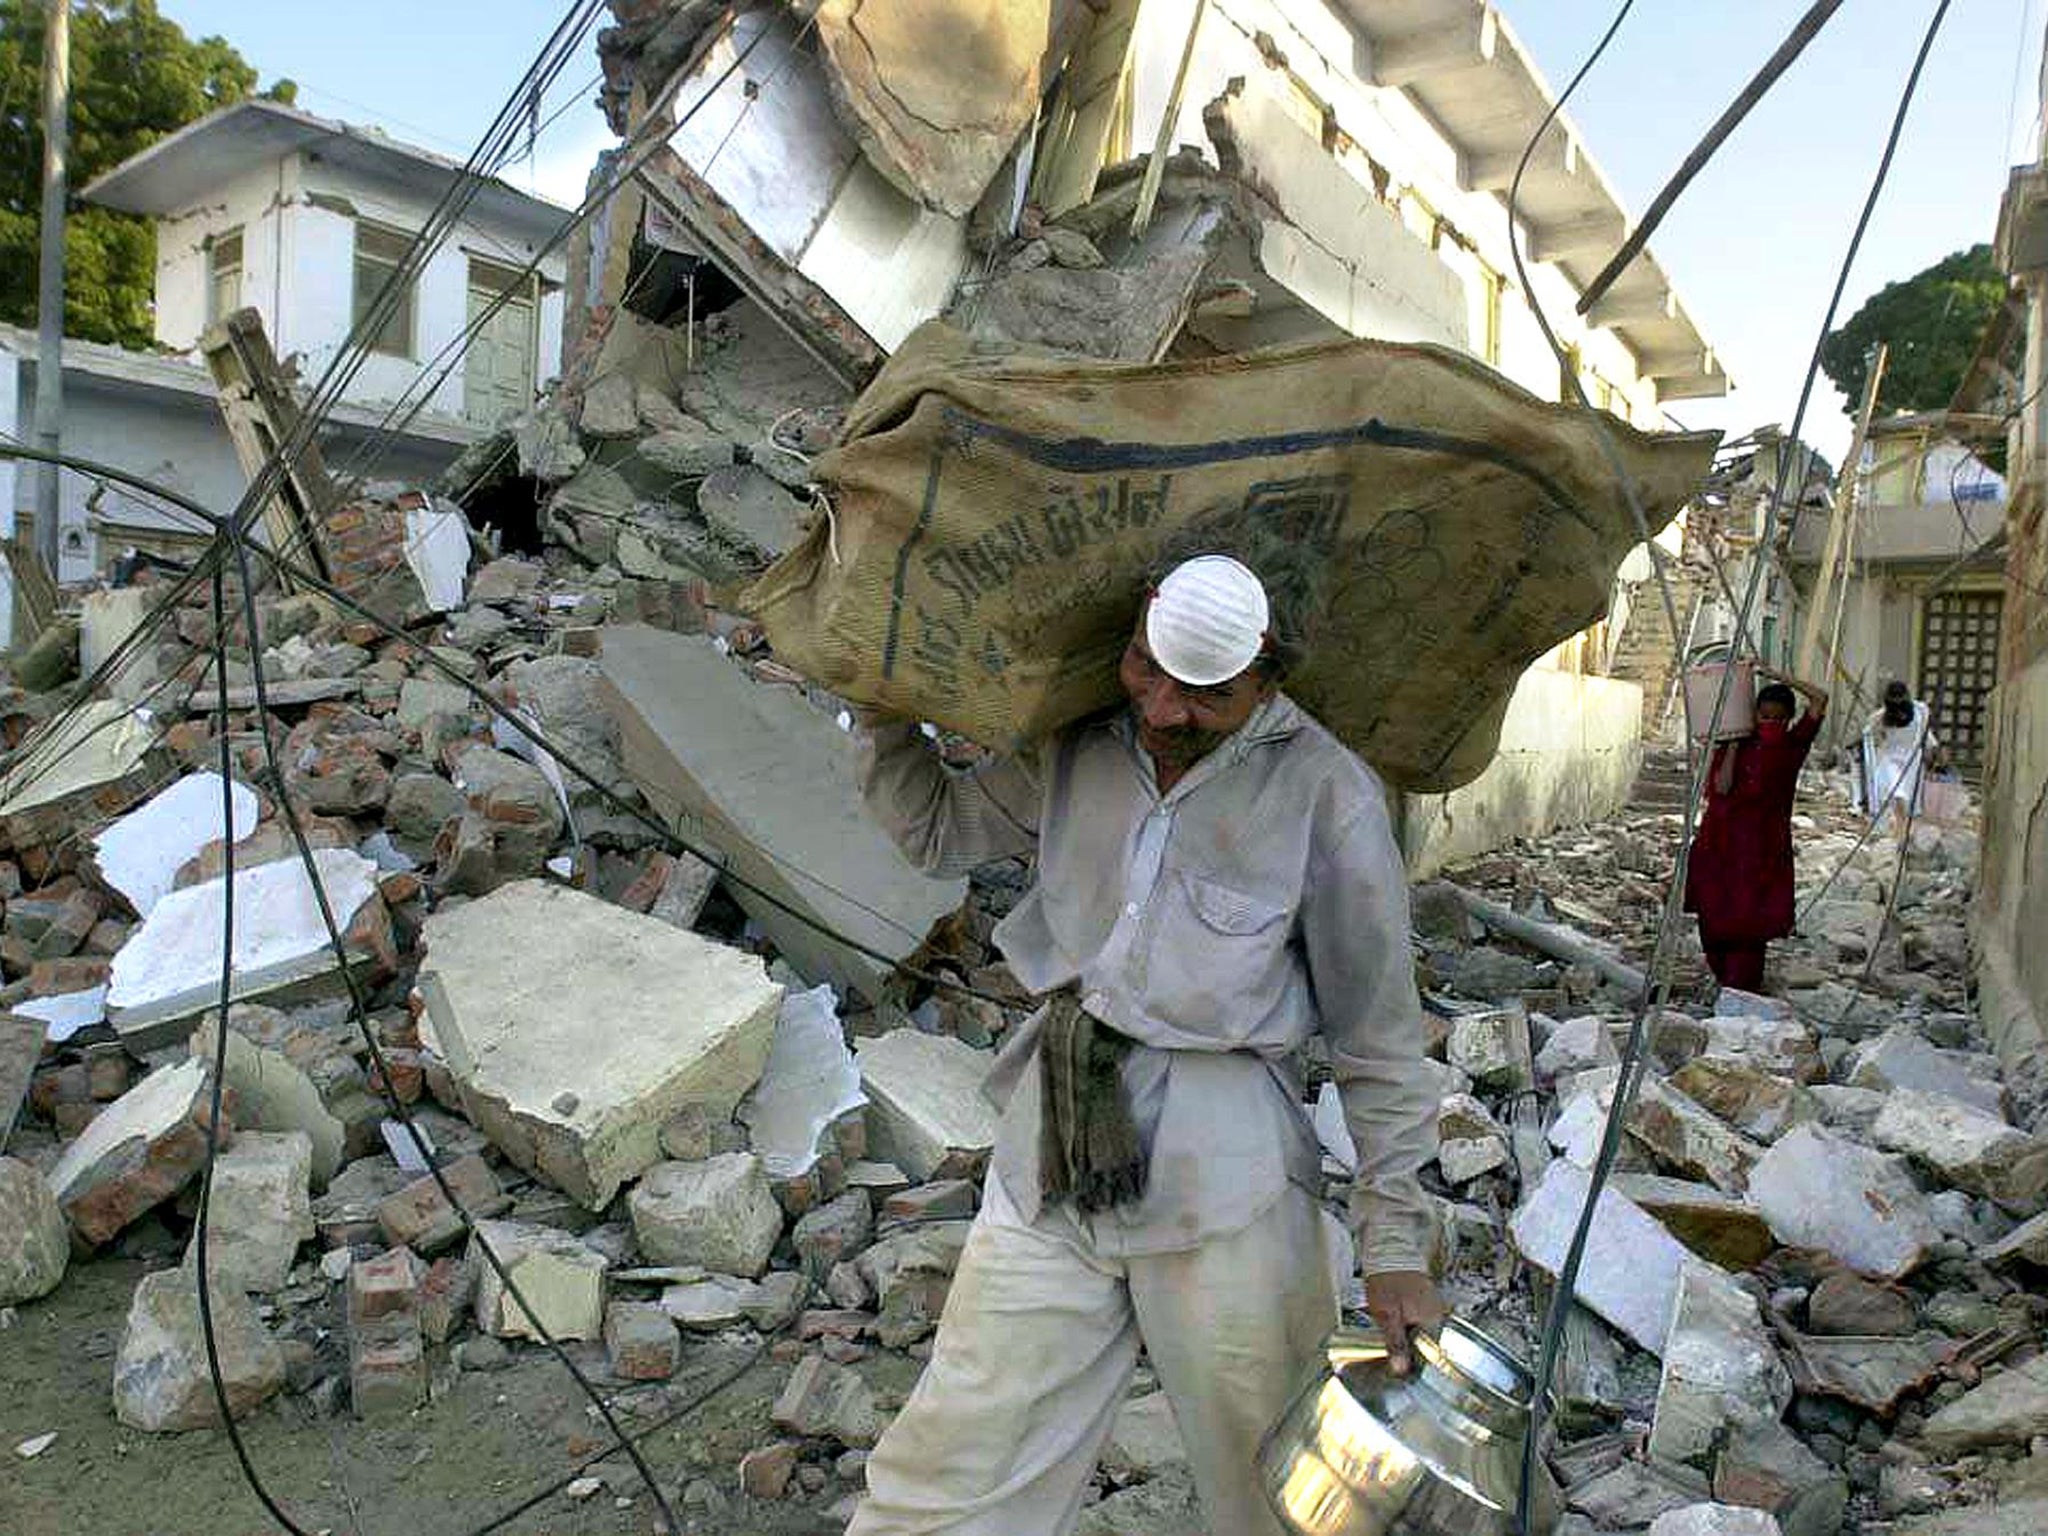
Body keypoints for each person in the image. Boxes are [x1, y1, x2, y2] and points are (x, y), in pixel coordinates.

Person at [846, 551, 1443, 1536]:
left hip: (1224, 1181)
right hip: (1055, 1144)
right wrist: (877, 710)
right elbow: (936, 831)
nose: (1162, 712)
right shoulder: (1076, 747)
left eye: (1203, 695)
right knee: (950, 1465)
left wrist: (1392, 1249)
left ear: (1264, 678)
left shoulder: (1326, 793)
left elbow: (1377, 1043)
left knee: (1280, 1487)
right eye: (1144, 671)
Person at [1683, 666, 1829, 993]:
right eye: (1763, 717)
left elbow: (1820, 698)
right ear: (1753, 715)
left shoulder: (1793, 746)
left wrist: (1777, 673)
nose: (1769, 725)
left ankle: (1742, 987)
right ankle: (1723, 980)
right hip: (1720, 842)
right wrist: (1734, 743)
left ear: (1789, 719)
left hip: (1762, 848)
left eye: (1777, 719)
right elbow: (1721, 788)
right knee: (1713, 911)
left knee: (1750, 918)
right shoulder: (1737, 744)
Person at [1859, 680, 1939, 838]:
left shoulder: (1920, 710)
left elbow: (1925, 734)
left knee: (1909, 801)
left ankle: (1903, 833)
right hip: (1890, 761)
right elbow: (1868, 735)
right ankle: (1900, 833)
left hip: (1912, 762)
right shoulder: (1880, 717)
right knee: (1896, 795)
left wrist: (1932, 752)